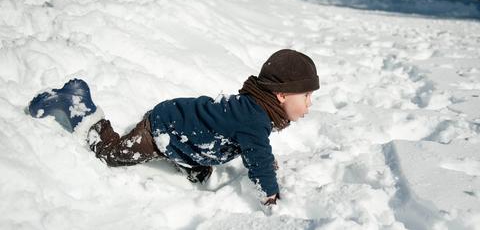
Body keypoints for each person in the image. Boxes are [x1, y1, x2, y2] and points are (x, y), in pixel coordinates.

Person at [28, 49, 319, 205]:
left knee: (200, 172)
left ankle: (187, 161)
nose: (309, 104)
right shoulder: (253, 119)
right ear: (282, 95)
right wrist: (269, 194)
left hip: (185, 133)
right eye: (306, 96)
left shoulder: (255, 113)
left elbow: (256, 150)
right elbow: (257, 159)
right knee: (111, 153)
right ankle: (78, 105)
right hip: (162, 130)